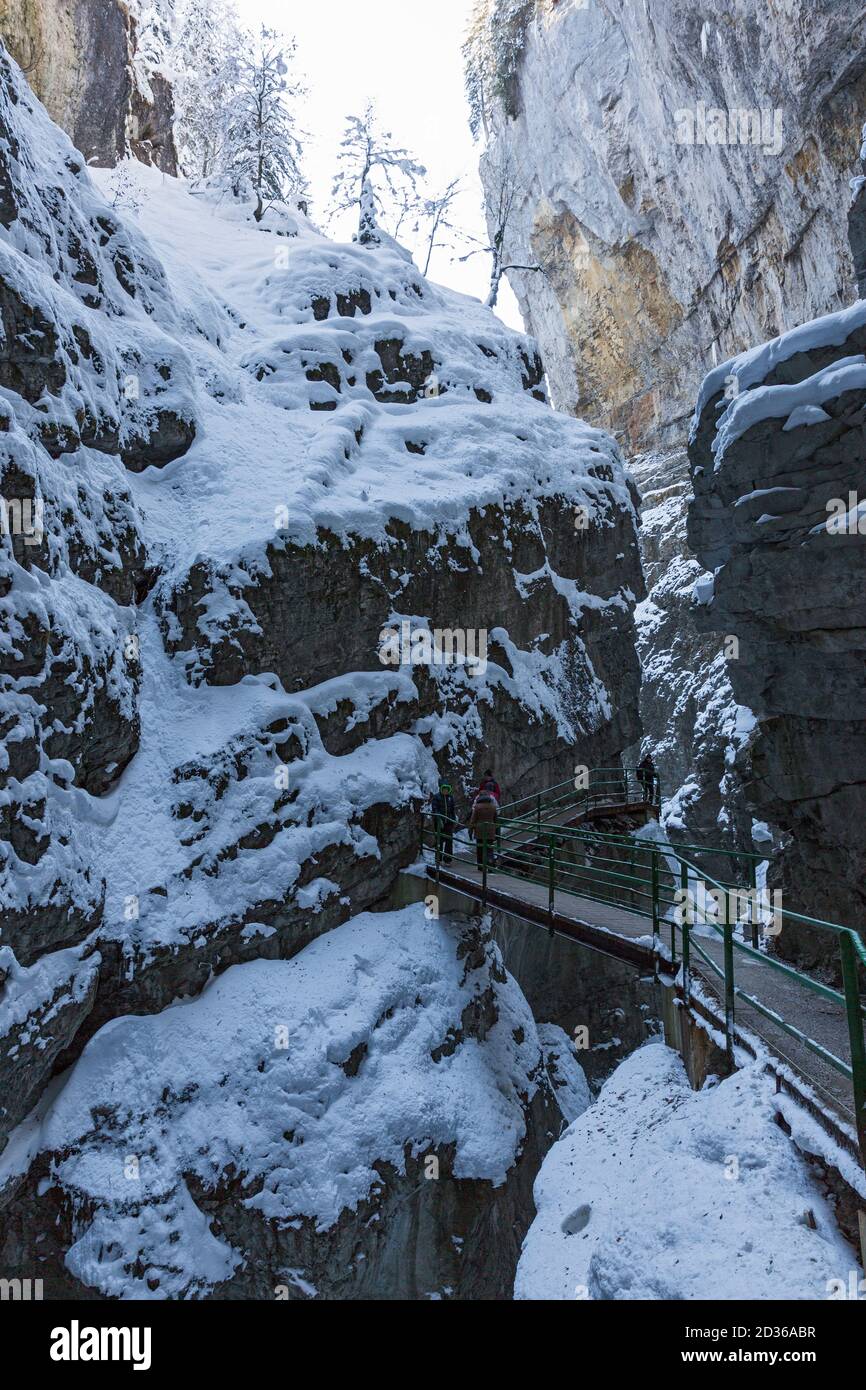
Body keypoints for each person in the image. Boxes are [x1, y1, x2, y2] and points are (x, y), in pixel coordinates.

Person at [469, 791, 498, 870]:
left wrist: (470, 830)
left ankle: (481, 866)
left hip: (479, 830)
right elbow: (496, 819)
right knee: (489, 848)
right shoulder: (493, 806)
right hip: (490, 830)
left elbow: (473, 820)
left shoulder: (477, 807)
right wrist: (496, 830)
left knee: (480, 848)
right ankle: (490, 863)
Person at [430, 780, 457, 864]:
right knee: (439, 840)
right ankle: (438, 859)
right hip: (439, 822)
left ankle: (447, 859)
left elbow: (452, 810)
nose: (445, 791)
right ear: (441, 789)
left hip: (448, 822)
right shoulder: (436, 797)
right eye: (444, 789)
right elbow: (434, 809)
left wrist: (453, 819)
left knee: (449, 840)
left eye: (447, 789)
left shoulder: (450, 798)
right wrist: (439, 818)